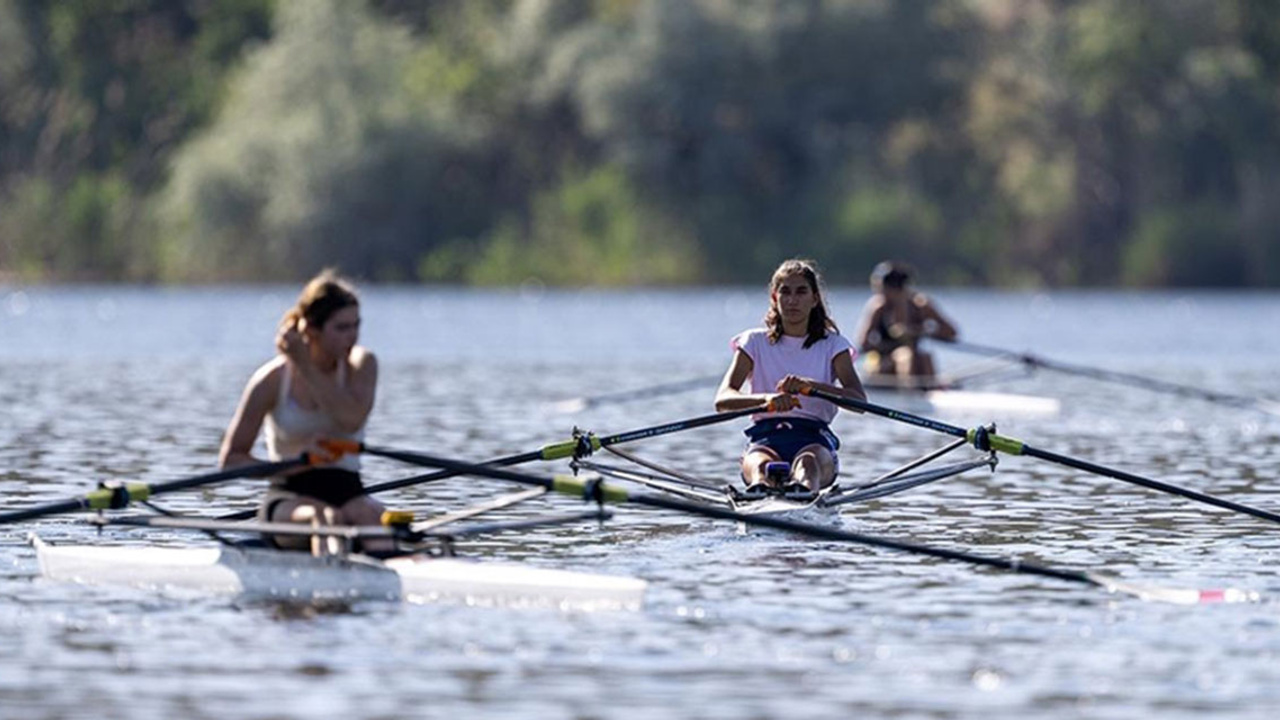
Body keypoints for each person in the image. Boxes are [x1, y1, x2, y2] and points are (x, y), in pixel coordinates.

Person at [219, 269, 388, 553]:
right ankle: (329, 590)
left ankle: (398, 572)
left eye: (356, 325)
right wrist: (298, 460)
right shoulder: (271, 380)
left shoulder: (363, 365)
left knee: (372, 516)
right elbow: (231, 460)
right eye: (341, 328)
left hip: (349, 490)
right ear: (312, 330)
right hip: (288, 496)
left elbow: (350, 420)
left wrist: (307, 366)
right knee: (325, 518)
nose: (352, 337)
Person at [714, 259, 867, 498]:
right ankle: (761, 492)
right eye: (785, 292)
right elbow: (723, 400)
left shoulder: (834, 346)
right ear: (775, 298)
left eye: (801, 292)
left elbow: (859, 401)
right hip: (765, 438)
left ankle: (802, 494)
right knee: (760, 467)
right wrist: (769, 401)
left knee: (806, 464)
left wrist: (812, 387)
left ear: (814, 299)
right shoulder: (753, 342)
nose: (792, 300)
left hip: (814, 440)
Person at [854, 261, 958, 381]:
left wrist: (920, 332)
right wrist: (894, 344)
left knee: (925, 357)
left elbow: (951, 332)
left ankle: (929, 393)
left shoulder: (920, 305)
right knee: (905, 355)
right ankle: (909, 394)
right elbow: (864, 343)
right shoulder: (879, 307)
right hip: (881, 361)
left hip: (916, 359)